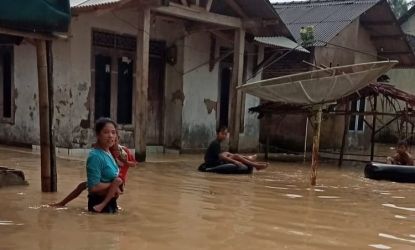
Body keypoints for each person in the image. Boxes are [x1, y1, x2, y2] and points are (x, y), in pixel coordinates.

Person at [50, 118, 136, 213]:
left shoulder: (109, 152)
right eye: (106, 132)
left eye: (113, 132)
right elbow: (93, 187)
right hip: (99, 208)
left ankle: (61, 203)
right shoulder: (95, 156)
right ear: (98, 135)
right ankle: (61, 204)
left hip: (109, 206)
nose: (111, 136)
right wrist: (114, 186)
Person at [199, 126, 268, 173]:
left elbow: (220, 155)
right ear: (217, 134)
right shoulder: (215, 143)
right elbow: (221, 157)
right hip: (212, 163)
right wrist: (235, 162)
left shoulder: (216, 142)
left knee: (226, 153)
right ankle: (256, 165)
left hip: (213, 160)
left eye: (225, 134)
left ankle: (248, 158)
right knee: (236, 156)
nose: (224, 136)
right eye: (222, 134)